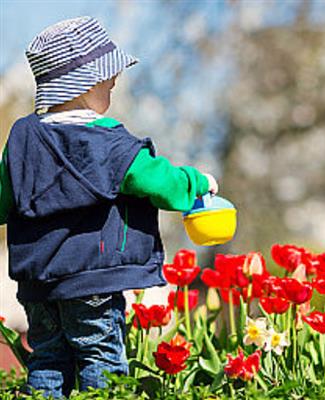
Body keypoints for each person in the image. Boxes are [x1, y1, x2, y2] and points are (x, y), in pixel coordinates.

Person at [0, 16, 217, 398]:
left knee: (48, 360)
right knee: (101, 360)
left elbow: (3, 199)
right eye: (108, 83)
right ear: (85, 85)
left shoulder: (22, 138)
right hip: (92, 280)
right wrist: (198, 183)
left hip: (37, 285)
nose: (112, 90)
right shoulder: (110, 143)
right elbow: (162, 184)